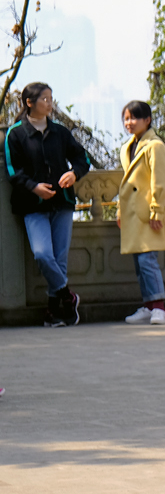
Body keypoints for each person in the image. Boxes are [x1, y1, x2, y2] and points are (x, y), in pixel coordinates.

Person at [5, 81, 90, 327]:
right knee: (43, 254)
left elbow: (81, 158)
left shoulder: (60, 132)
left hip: (62, 203)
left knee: (59, 259)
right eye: (44, 99)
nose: (49, 103)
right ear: (29, 103)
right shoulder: (16, 134)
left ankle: (54, 314)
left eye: (51, 98)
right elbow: (13, 171)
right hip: (33, 206)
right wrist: (35, 188)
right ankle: (68, 296)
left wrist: (74, 173)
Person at [118, 100, 165, 325]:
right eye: (126, 119)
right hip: (132, 213)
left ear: (147, 120)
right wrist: (121, 212)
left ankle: (159, 307)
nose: (129, 123)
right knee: (139, 262)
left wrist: (157, 211)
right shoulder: (127, 147)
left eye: (133, 118)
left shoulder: (155, 146)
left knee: (147, 260)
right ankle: (148, 306)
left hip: (148, 212)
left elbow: (158, 181)